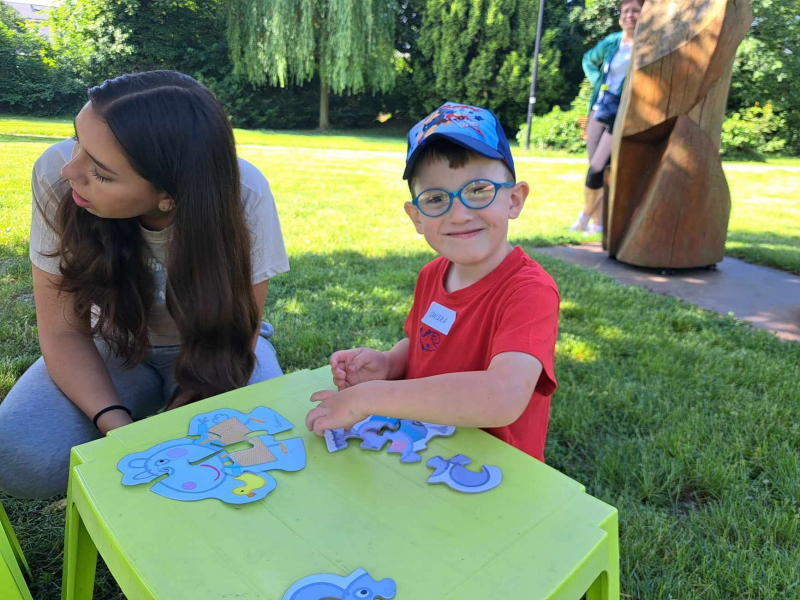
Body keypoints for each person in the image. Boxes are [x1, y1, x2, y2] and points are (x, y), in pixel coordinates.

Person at [0, 71, 290, 499]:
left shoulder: (244, 194)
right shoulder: (56, 175)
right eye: (78, 140)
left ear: (167, 196)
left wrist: (177, 427)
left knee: (254, 458)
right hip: (110, 342)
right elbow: (62, 332)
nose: (70, 168)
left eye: (101, 173)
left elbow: (235, 336)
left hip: (214, 350)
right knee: (21, 458)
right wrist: (120, 430)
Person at [306, 103, 560, 462]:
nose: (460, 214)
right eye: (436, 198)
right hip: (423, 451)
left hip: (493, 471)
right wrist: (389, 364)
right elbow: (425, 343)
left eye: (479, 190)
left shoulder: (530, 291)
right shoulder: (431, 275)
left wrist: (369, 398)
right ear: (416, 217)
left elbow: (503, 395)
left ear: (514, 200)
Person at [570, 0, 644, 234]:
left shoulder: (647, 45)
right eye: (626, 11)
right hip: (599, 109)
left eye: (635, 11)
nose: (630, 15)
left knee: (598, 168)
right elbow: (588, 59)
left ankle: (584, 217)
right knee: (596, 168)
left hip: (622, 114)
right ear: (620, 17)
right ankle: (598, 223)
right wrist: (597, 82)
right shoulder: (613, 41)